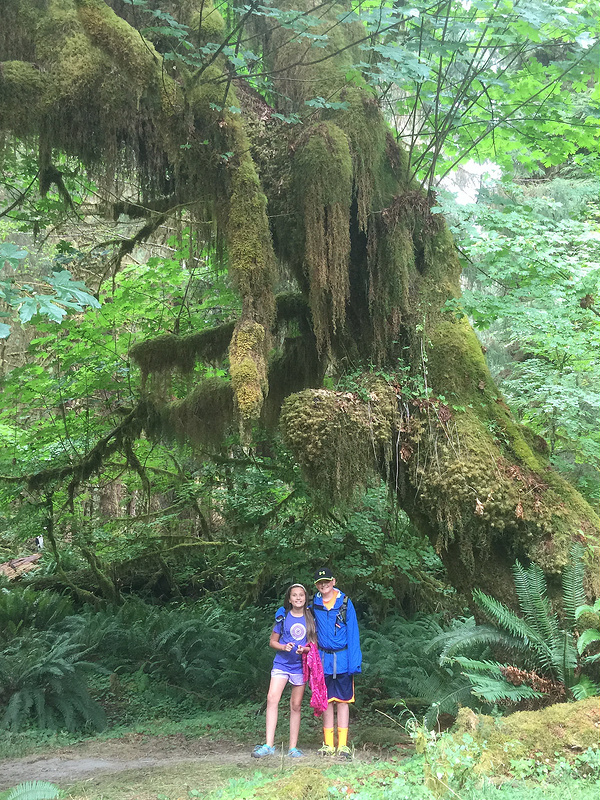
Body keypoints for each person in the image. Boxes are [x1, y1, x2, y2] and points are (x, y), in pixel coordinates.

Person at [252, 583, 317, 758]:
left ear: (305, 598)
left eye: (301, 595)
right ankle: (268, 745)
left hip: (300, 667)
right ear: (289, 599)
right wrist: (283, 647)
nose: (298, 598)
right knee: (272, 699)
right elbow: (272, 641)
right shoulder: (283, 617)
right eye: (294, 595)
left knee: (295, 706)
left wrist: (305, 650)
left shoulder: (311, 618)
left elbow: (314, 646)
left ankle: (293, 748)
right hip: (281, 664)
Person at [312, 567, 362, 760]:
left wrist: (354, 663)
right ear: (317, 585)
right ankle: (328, 745)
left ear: (333, 581)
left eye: (326, 581)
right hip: (322, 660)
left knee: (343, 702)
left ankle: (343, 746)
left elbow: (353, 634)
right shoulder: (313, 603)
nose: (323, 585)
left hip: (342, 659)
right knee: (325, 702)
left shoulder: (345, 602)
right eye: (319, 582)